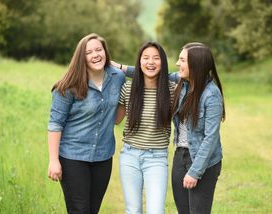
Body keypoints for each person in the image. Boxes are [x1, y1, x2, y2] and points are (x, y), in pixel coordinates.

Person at [47, 33, 126, 214]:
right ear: (81, 57)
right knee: (79, 210)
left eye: (99, 49)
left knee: (92, 210)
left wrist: (126, 94)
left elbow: (116, 119)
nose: (95, 55)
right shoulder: (67, 86)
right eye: (89, 52)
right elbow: (55, 124)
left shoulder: (118, 77)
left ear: (106, 52)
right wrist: (53, 160)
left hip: (103, 157)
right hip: (72, 157)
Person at [115, 42, 176, 214]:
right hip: (129, 156)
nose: (151, 62)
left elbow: (188, 76)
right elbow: (116, 120)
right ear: (139, 62)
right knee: (133, 210)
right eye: (146, 58)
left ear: (163, 63)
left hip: (156, 157)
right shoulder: (128, 88)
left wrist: (122, 67)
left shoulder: (172, 90)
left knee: (156, 211)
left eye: (156, 58)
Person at [171, 42, 225, 214]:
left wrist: (195, 172)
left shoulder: (211, 94)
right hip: (180, 156)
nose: (178, 64)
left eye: (182, 60)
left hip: (204, 162)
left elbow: (211, 138)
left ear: (196, 65)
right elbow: (153, 73)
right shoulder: (183, 82)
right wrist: (120, 68)